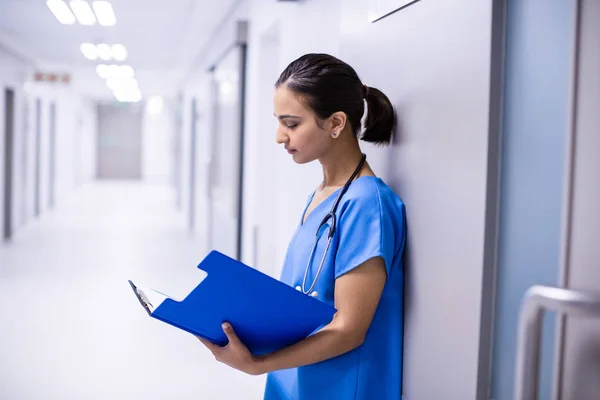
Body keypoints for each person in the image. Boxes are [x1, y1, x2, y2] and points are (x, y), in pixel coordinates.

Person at [198, 53, 407, 400]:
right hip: (295, 380)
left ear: (336, 122)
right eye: (279, 122)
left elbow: (348, 329)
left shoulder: (368, 204)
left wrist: (257, 364)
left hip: (339, 387)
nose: (281, 136)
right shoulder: (323, 194)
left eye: (292, 123)